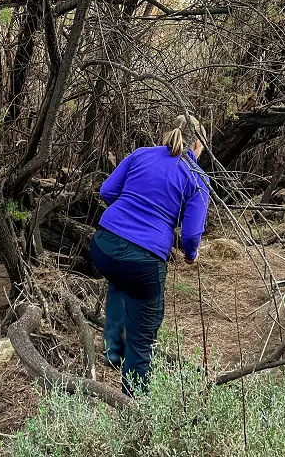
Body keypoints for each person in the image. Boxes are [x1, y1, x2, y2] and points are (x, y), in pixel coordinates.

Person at [89, 114, 210, 396]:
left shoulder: (140, 154)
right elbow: (191, 236)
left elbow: (107, 191)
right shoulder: (197, 177)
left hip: (103, 246)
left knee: (122, 277)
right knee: (142, 339)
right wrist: (190, 254)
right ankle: (135, 411)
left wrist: (128, 211)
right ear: (198, 146)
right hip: (144, 260)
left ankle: (112, 348)